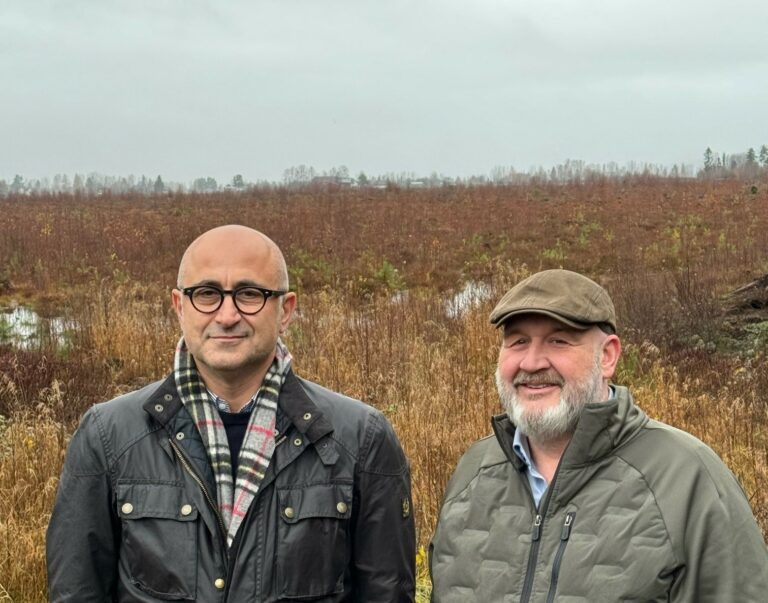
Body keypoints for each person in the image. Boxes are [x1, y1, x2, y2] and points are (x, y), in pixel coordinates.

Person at [47, 225, 415, 602]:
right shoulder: (108, 437)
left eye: (249, 294)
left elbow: (386, 593)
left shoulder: (361, 439)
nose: (226, 315)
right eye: (206, 294)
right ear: (179, 306)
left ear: (285, 310)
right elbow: (76, 591)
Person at [430, 269, 768, 602]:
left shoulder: (687, 477)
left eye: (558, 340)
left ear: (607, 356)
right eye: (518, 341)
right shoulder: (474, 470)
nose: (531, 363)